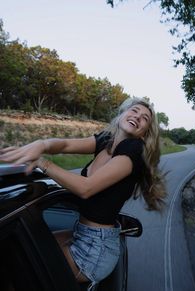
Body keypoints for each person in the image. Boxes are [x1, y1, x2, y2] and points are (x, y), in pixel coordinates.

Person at [0, 97, 165, 289]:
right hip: (82, 233)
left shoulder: (134, 149)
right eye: (134, 111)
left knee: (18, 267)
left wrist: (42, 162)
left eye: (145, 118)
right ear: (122, 113)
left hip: (96, 250)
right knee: (14, 250)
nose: (137, 117)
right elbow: (65, 145)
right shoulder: (106, 140)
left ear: (144, 133)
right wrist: (42, 144)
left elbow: (86, 188)